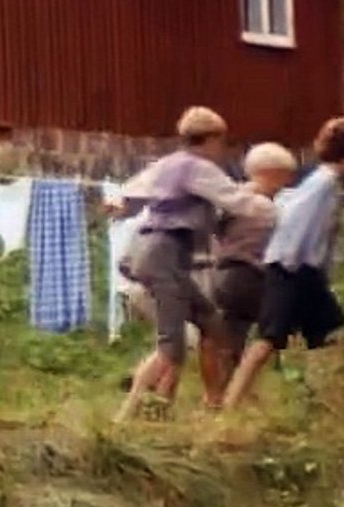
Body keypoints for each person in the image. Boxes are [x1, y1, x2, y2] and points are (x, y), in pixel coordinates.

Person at [111, 106, 271, 423]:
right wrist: (276, 211)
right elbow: (235, 201)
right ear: (211, 139)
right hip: (163, 258)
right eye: (222, 142)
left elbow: (131, 194)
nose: (223, 150)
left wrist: (119, 206)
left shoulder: (167, 164)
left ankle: (217, 399)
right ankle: (125, 417)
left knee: (212, 322)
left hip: (151, 251)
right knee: (171, 348)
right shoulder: (200, 168)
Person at [223, 119, 344, 410]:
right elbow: (295, 220)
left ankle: (334, 398)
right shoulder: (324, 182)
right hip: (292, 268)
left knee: (334, 335)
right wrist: (288, 262)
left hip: (307, 272)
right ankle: (230, 404)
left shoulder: (322, 180)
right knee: (268, 340)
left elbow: (287, 205)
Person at [213, 142, 297, 372]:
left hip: (225, 273)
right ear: (271, 173)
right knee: (280, 324)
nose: (286, 183)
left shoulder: (234, 196)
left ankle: (224, 389)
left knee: (233, 333)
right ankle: (281, 375)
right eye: (284, 175)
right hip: (249, 274)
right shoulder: (262, 206)